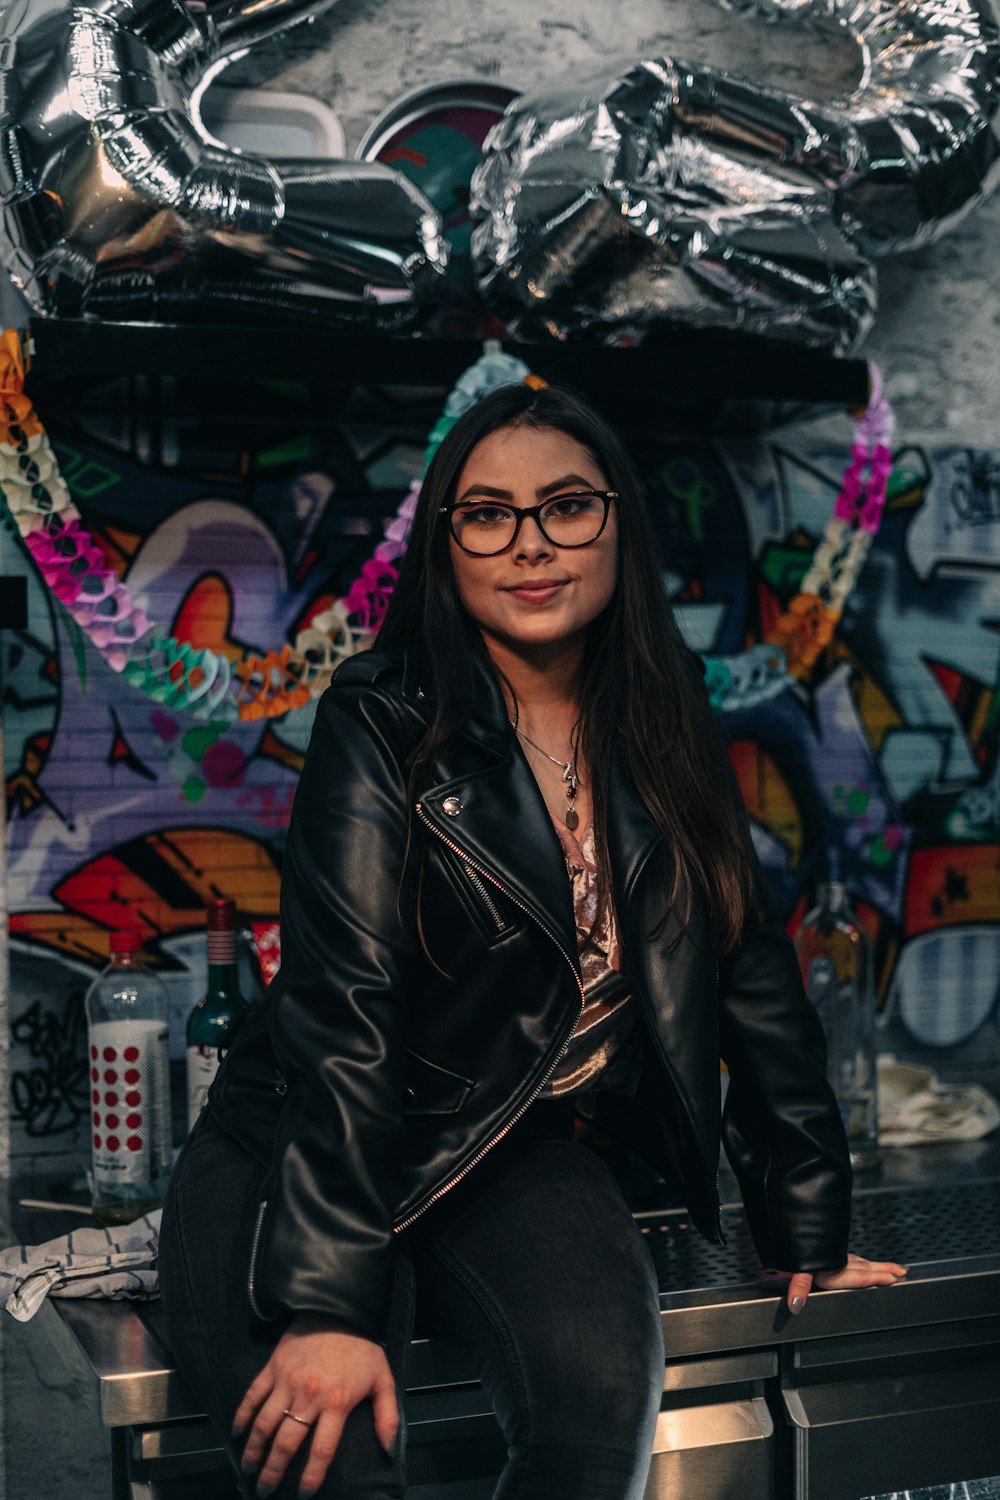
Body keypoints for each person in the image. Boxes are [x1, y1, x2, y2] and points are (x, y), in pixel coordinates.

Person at [157, 380, 907, 1500]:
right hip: (297, 1154)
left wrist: (801, 1219)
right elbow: (343, 1015)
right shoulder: (382, 719)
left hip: (521, 1150)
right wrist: (328, 1303)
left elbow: (749, 973)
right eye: (487, 514)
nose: (529, 545)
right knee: (335, 1467)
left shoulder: (669, 721)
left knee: (597, 1420)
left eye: (565, 506)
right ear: (447, 547)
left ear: (615, 524)